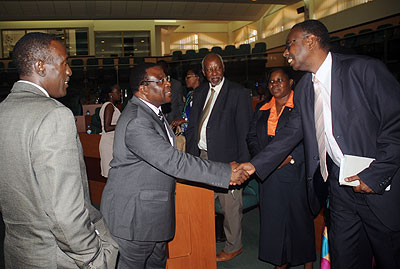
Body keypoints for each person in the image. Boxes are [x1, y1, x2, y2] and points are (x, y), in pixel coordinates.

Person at [236, 20, 400, 268]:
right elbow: (291, 133)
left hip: (377, 187)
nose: (285, 52)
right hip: (339, 189)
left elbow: (395, 122)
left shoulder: (363, 70)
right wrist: (253, 165)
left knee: (389, 258)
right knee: (345, 258)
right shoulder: (303, 88)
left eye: (289, 44)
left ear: (310, 41)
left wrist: (376, 174)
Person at [100, 62, 249, 269]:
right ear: (143, 88)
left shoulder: (154, 113)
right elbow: (172, 161)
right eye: (160, 81)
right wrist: (226, 172)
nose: (168, 84)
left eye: (167, 79)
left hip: (152, 216)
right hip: (134, 220)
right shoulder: (137, 120)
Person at [0, 32, 118, 268]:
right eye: (64, 63)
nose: (69, 72)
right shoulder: (54, 114)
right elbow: (65, 213)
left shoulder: (4, 110)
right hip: (57, 257)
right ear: (40, 66)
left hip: (18, 253)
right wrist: (93, 257)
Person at [185, 53, 253, 262]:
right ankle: (204, 241)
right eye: (209, 69)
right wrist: (190, 156)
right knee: (201, 203)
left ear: (223, 69)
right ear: (204, 73)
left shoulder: (238, 93)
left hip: (227, 160)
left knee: (230, 206)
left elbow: (244, 131)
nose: (214, 73)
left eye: (217, 68)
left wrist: (242, 165)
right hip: (202, 157)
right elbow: (194, 125)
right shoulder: (199, 91)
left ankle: (234, 246)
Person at [247, 68, 315, 269]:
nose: (275, 85)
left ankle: (307, 262)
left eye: (280, 80)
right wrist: (262, 159)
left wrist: (292, 157)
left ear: (291, 82)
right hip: (268, 173)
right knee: (274, 222)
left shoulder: (302, 106)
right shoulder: (262, 107)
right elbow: (251, 137)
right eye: (271, 82)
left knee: (299, 221)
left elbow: (312, 139)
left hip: (295, 171)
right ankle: (280, 261)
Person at [170, 65, 202, 132]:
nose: (186, 79)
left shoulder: (203, 94)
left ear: (197, 77)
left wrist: (184, 120)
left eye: (188, 77)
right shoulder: (190, 94)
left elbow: (201, 115)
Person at [99, 84, 122, 177]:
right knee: (112, 174)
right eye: (118, 92)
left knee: (113, 174)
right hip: (109, 143)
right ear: (111, 94)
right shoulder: (109, 106)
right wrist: (122, 125)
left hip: (111, 142)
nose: (120, 94)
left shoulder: (110, 106)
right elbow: (107, 127)